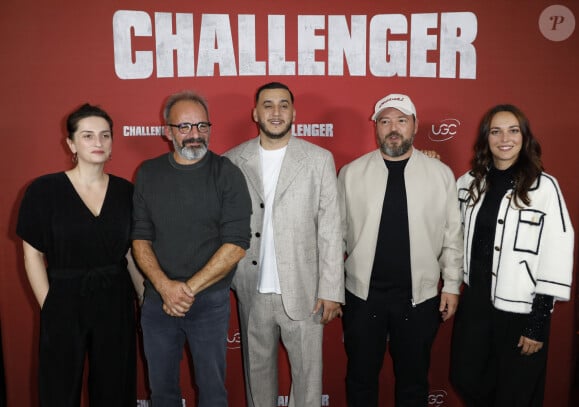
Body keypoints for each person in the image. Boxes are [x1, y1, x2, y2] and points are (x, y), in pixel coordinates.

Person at [337, 93, 463, 406]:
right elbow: (334, 235)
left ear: (415, 126)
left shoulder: (441, 175)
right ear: (376, 128)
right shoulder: (351, 173)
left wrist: (451, 285)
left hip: (419, 298)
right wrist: (330, 288)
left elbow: (452, 236)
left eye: (401, 120)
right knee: (361, 380)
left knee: (413, 383)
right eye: (385, 121)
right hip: (363, 297)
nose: (393, 128)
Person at [224, 82, 344, 407]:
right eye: (268, 105)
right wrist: (230, 279)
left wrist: (331, 289)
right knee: (257, 381)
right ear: (255, 113)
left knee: (308, 383)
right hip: (252, 291)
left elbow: (331, 228)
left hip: (305, 293)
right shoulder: (232, 161)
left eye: (283, 105)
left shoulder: (318, 160)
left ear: (293, 112)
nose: (275, 112)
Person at [16, 103, 144, 406]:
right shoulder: (43, 191)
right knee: (59, 387)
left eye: (104, 135)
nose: (97, 143)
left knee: (115, 386)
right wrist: (50, 304)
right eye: (87, 136)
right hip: (64, 298)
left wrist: (142, 298)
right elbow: (32, 253)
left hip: (115, 300)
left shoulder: (127, 192)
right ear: (71, 143)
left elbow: (130, 254)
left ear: (112, 142)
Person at [131, 90, 252, 407]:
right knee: (162, 393)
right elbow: (140, 237)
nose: (194, 135)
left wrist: (185, 290)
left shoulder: (227, 174)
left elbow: (237, 244)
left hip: (209, 302)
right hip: (158, 303)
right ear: (167, 131)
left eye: (201, 126)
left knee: (213, 392)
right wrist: (164, 287)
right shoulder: (148, 173)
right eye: (184, 127)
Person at [450, 104, 574, 406]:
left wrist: (538, 322)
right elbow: (449, 235)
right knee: (468, 379)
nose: (504, 138)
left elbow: (558, 251)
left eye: (513, 130)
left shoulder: (544, 187)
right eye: (496, 131)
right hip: (476, 304)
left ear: (524, 137)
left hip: (521, 310)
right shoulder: (469, 182)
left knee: (516, 393)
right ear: (486, 138)